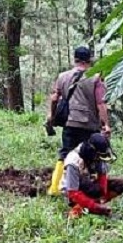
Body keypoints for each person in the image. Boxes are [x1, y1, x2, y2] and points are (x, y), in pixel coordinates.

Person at [46, 46, 111, 196]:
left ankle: (55, 188)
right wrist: (106, 124)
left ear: (75, 59)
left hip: (70, 122)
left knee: (65, 154)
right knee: (92, 155)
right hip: (90, 124)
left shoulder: (63, 76)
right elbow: (100, 103)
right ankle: (92, 191)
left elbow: (55, 98)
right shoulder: (96, 78)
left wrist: (51, 115)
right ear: (90, 60)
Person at [60, 133, 123, 218]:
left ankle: (94, 205)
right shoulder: (73, 162)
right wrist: (96, 207)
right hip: (74, 192)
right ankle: (78, 208)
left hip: (92, 186)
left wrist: (101, 198)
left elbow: (102, 179)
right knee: (86, 184)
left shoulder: (98, 157)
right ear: (92, 152)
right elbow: (72, 193)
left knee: (121, 183)